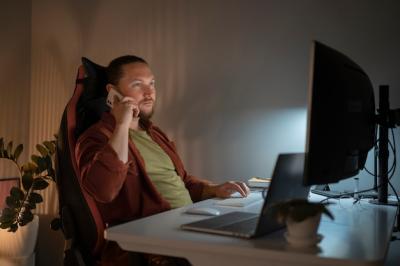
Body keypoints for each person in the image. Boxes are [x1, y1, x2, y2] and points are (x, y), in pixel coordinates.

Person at [75, 55, 250, 265]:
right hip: (151, 248)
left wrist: (214, 189)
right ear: (113, 92)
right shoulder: (95, 137)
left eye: (152, 84)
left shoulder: (154, 133)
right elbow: (104, 189)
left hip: (187, 226)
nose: (149, 93)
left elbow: (183, 181)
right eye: (137, 84)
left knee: (251, 242)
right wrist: (121, 125)